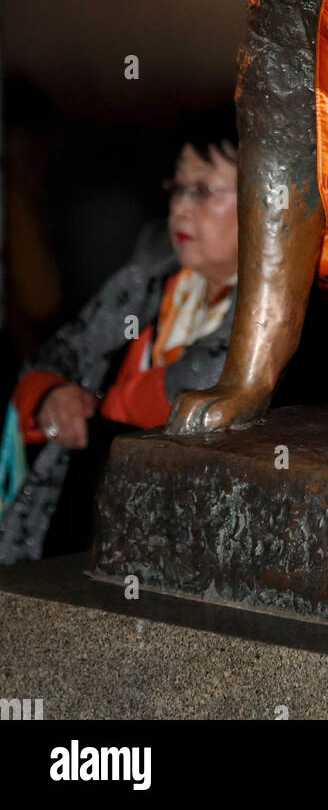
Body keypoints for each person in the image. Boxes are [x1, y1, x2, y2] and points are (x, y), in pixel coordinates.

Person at [0, 117, 238, 563]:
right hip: (82, 529)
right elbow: (53, 359)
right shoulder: (148, 280)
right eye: (178, 188)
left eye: (203, 191)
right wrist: (51, 398)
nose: (180, 210)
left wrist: (101, 409)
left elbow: (204, 389)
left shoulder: (288, 316)